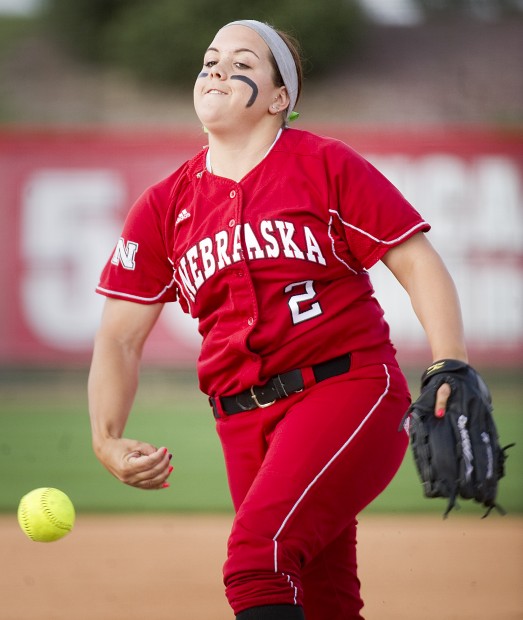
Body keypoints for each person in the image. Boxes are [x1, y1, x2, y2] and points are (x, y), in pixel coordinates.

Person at [88, 19, 467, 620]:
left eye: (242, 63)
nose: (217, 69)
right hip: (241, 423)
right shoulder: (165, 205)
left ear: (279, 97)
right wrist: (106, 438)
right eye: (210, 59)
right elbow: (119, 337)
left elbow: (417, 262)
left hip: (346, 389)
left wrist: (450, 362)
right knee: (320, 600)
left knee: (257, 562)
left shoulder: (324, 164)